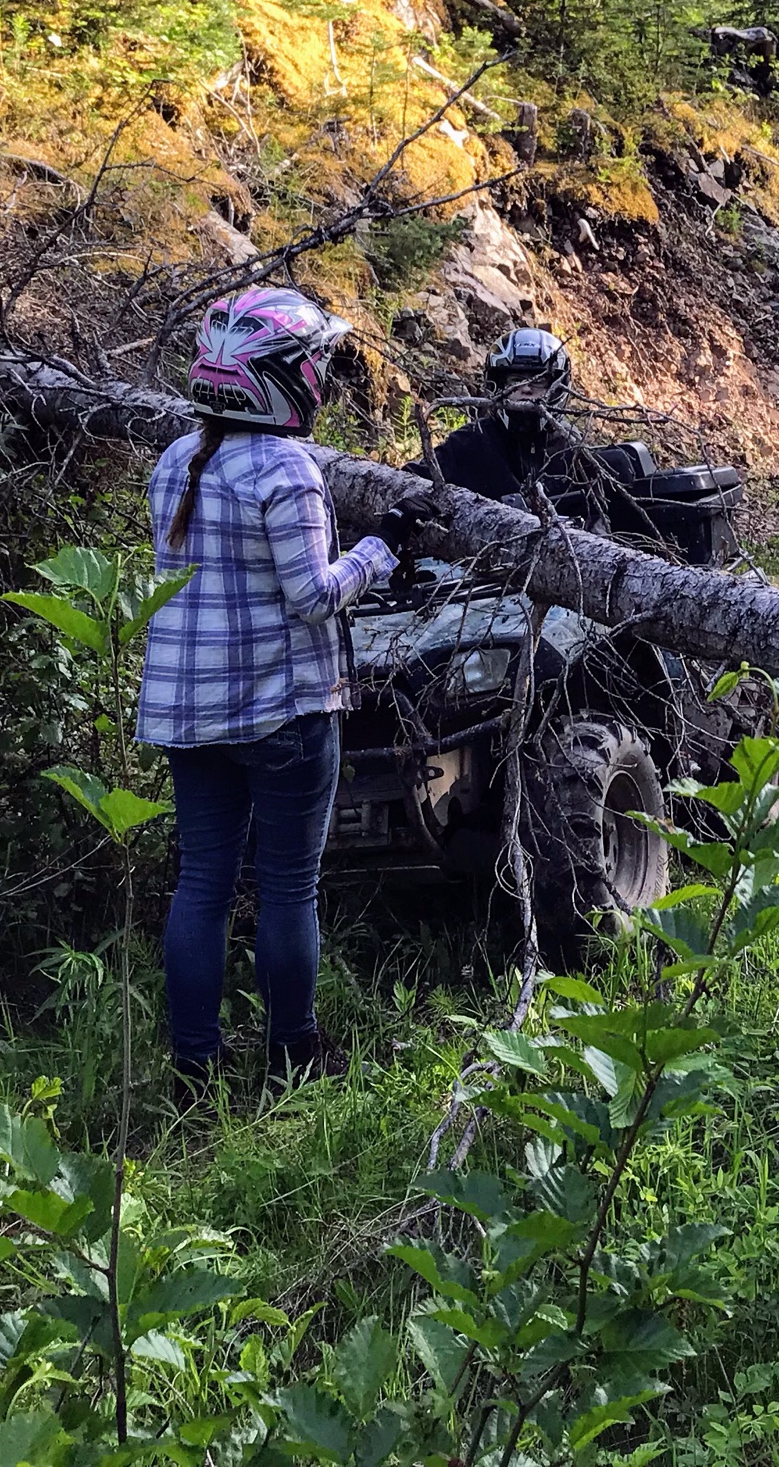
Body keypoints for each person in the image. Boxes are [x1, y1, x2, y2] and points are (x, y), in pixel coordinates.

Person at [137, 285, 409, 1091]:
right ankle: (293, 1054)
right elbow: (315, 595)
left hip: (188, 714)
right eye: (315, 363)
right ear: (284, 376)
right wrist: (383, 548)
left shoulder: (176, 459)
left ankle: (195, 1066)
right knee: (290, 887)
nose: (322, 375)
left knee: (203, 885)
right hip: (282, 710)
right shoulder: (288, 468)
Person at [429, 325, 580, 503]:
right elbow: (409, 481)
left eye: (538, 381)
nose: (526, 388)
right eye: (516, 380)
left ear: (557, 388)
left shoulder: (573, 447)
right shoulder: (469, 442)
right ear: (498, 385)